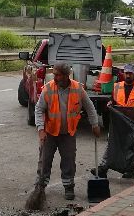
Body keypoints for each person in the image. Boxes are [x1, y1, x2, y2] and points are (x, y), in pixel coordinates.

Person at [33, 63, 100, 200]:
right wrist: (41, 129)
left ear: (66, 75)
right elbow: (39, 109)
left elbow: (90, 107)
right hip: (50, 132)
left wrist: (95, 124)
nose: (54, 77)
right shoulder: (48, 88)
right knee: (45, 161)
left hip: (68, 133)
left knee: (69, 162)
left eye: (57, 74)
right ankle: (40, 187)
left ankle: (69, 187)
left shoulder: (77, 88)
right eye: (54, 74)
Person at [91, 63, 134, 179]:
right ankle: (103, 167)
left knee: (131, 146)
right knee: (112, 144)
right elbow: (113, 101)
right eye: (126, 73)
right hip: (118, 122)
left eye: (130, 74)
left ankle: (130, 169)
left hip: (133, 123)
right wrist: (110, 103)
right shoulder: (117, 86)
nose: (128, 76)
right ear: (124, 74)